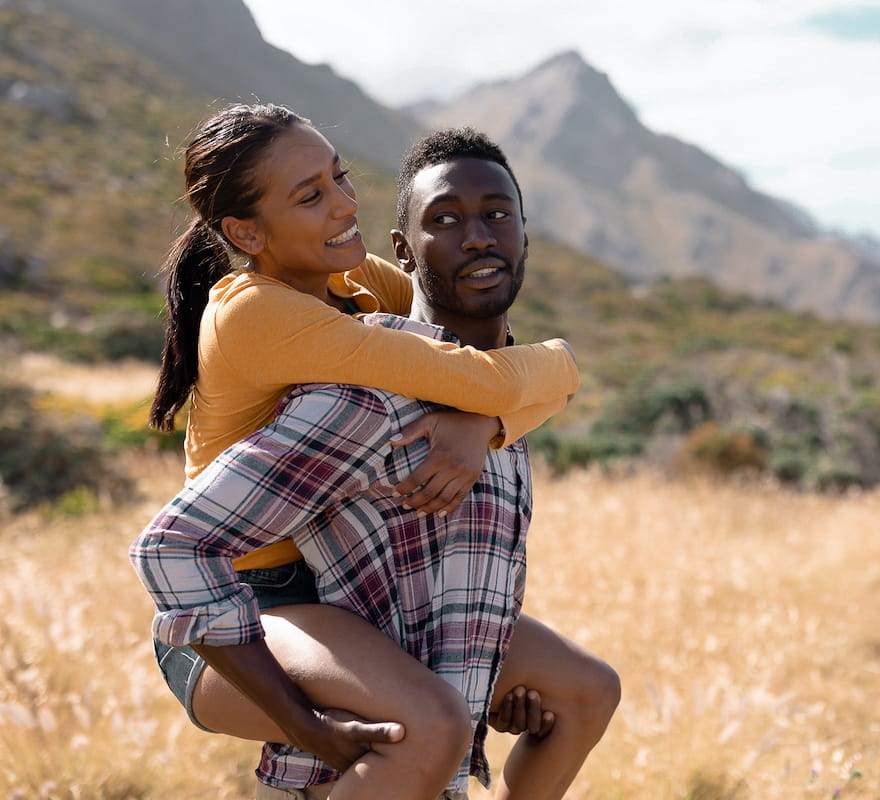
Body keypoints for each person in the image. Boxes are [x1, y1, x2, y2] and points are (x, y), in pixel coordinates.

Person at [132, 125, 620, 799]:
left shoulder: (356, 280)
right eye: (310, 196)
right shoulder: (256, 313)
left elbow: (474, 360)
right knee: (425, 725)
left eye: (339, 176)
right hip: (233, 614)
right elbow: (494, 377)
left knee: (584, 692)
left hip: (333, 591)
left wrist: (484, 423)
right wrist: (303, 725)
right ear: (246, 233)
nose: (343, 204)